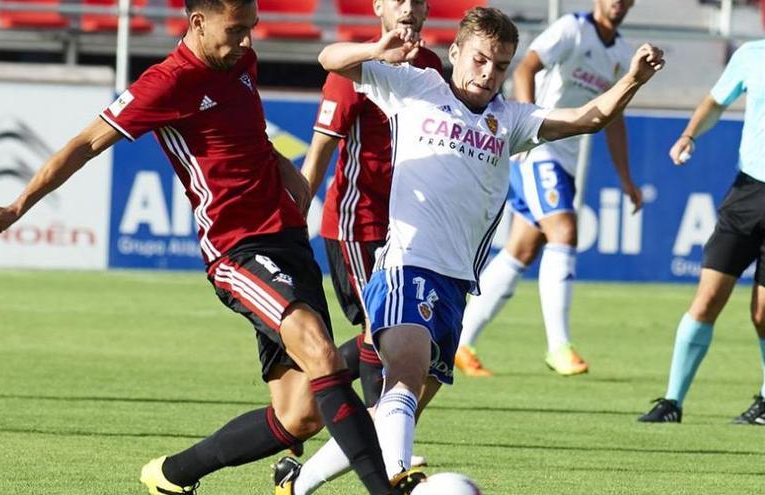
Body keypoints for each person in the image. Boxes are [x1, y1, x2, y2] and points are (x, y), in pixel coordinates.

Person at [0, 1, 400, 494]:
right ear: (198, 22)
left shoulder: (240, 61)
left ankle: (172, 475)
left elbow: (250, 134)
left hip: (290, 240)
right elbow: (86, 143)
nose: (246, 40)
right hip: (237, 250)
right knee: (322, 351)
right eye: (236, 30)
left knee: (299, 414)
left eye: (251, 28)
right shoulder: (167, 82)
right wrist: (16, 207)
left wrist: (286, 172)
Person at [274, 6, 664, 493]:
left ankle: (295, 484)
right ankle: (399, 479)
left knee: (395, 409)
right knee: (405, 376)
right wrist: (377, 50)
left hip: (456, 286)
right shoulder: (415, 87)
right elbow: (329, 58)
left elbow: (590, 117)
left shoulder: (511, 119)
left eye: (501, 65)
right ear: (455, 52)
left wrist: (632, 79)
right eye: (480, 59)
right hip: (405, 265)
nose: (489, 73)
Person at [455, 0, 643, 378]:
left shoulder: (621, 53)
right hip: (541, 150)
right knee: (564, 231)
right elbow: (526, 67)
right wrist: (524, 128)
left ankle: (462, 341)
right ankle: (559, 345)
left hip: (567, 156)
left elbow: (614, 117)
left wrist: (626, 177)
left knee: (523, 248)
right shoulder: (571, 29)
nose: (618, 3)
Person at [303, 0, 442, 414]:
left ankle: (312, 387)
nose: (408, 8)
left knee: (394, 328)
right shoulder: (356, 70)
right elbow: (318, 154)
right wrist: (294, 221)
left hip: (403, 226)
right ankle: (383, 438)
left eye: (417, 1)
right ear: (378, 6)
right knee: (381, 325)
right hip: (356, 225)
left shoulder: (431, 65)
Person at [638, 39, 765, 425]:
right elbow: (715, 101)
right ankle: (672, 402)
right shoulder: (751, 55)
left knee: (763, 313)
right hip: (746, 193)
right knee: (707, 298)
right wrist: (689, 133)